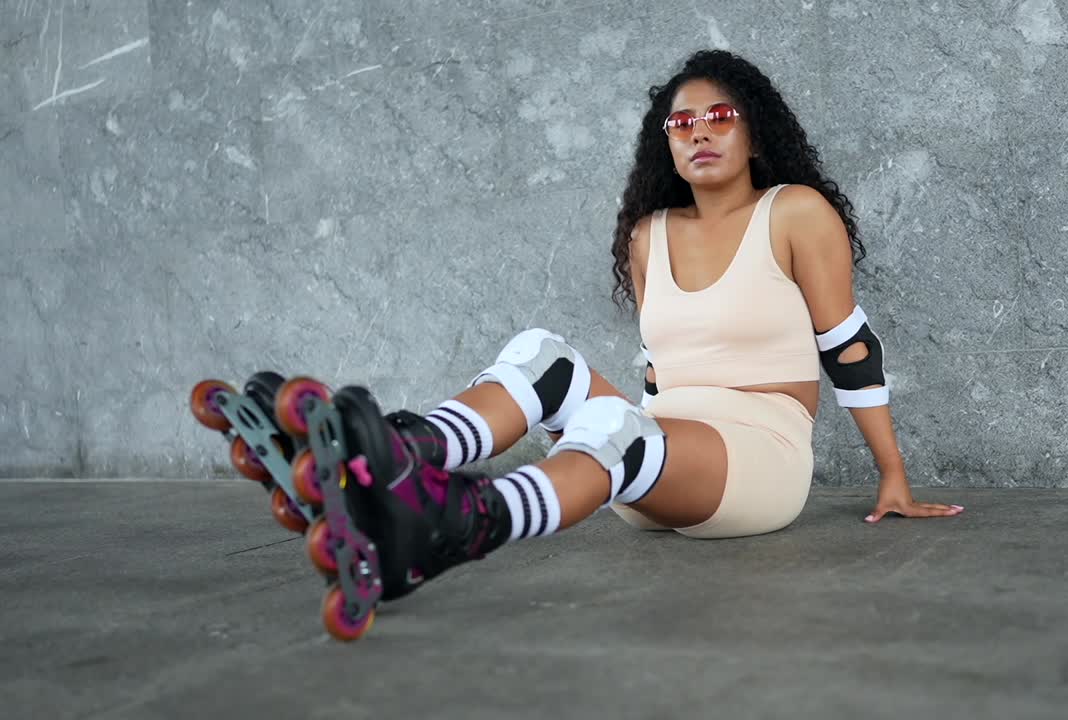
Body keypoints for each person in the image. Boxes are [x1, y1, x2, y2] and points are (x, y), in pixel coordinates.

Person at [290, 49, 964, 606]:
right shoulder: (650, 235)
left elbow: (847, 346)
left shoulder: (795, 212)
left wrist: (892, 473)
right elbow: (655, 368)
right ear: (664, 144)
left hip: (755, 465)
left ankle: (455, 525)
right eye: (682, 124)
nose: (700, 132)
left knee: (620, 427)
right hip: (640, 460)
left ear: (755, 132)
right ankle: (409, 454)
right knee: (538, 355)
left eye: (721, 116)